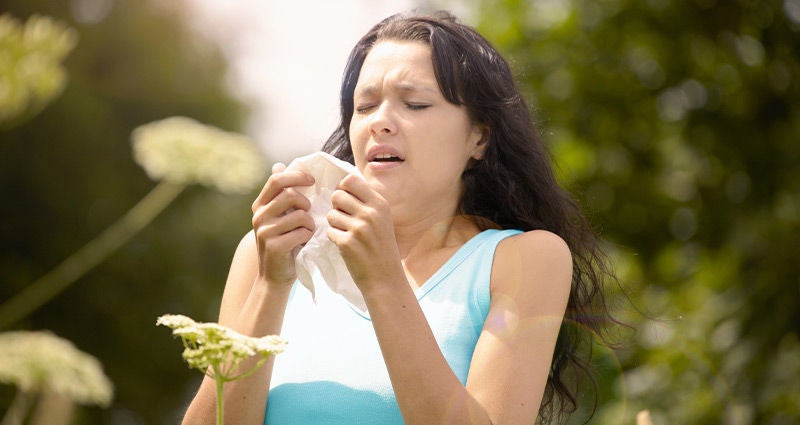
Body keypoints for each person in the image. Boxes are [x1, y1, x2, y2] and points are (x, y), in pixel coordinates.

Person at [182, 10, 617, 425]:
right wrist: (271, 284)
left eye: (415, 104)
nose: (381, 122)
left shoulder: (525, 259)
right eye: (366, 106)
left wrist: (383, 281)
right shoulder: (267, 255)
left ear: (479, 137)